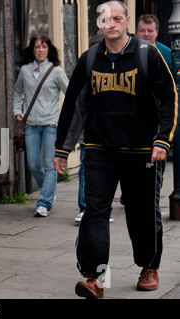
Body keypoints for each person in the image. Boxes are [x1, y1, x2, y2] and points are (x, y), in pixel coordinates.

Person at [54, 1, 177, 299]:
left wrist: (162, 140)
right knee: (95, 212)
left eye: (117, 18)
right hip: (99, 150)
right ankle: (96, 279)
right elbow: (73, 106)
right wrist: (62, 148)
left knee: (142, 214)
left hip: (142, 152)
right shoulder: (89, 59)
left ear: (127, 21)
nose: (112, 24)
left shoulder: (148, 56)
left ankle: (149, 267)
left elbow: (169, 99)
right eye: (106, 19)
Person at [13, 34, 69, 217]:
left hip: (51, 124)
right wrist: (17, 111)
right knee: (34, 165)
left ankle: (44, 202)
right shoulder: (25, 71)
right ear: (32, 50)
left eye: (44, 47)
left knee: (49, 165)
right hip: (30, 125)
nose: (41, 50)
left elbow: (70, 94)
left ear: (49, 50)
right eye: (37, 47)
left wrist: (64, 118)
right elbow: (18, 91)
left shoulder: (56, 71)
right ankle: (50, 190)